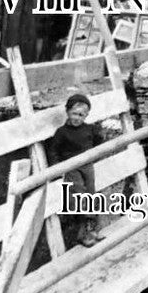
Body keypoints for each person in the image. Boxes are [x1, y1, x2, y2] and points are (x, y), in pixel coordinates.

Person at [47, 93, 104, 247]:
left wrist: (95, 155)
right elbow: (53, 151)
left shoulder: (90, 129)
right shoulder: (62, 132)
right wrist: (56, 169)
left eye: (81, 115)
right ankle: (83, 230)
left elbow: (99, 142)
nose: (77, 118)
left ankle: (91, 229)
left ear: (86, 115)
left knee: (91, 191)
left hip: (87, 165)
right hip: (71, 167)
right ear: (67, 112)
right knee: (79, 192)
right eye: (74, 113)